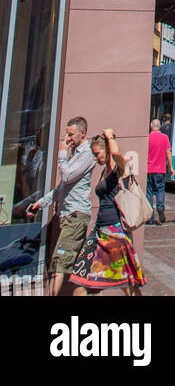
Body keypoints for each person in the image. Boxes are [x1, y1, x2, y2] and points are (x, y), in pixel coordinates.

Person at [67, 128, 145, 296]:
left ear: (107, 149)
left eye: (97, 154)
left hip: (115, 233)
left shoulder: (119, 168)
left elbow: (116, 153)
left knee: (128, 284)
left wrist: (109, 136)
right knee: (82, 279)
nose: (95, 158)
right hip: (99, 231)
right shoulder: (104, 171)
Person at [27, 116, 95, 296]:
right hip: (67, 216)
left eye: (71, 134)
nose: (67, 138)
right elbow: (62, 187)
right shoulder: (74, 154)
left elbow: (67, 176)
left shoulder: (87, 154)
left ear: (83, 133)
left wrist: (62, 155)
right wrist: (41, 203)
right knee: (75, 267)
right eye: (67, 134)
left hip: (75, 217)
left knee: (58, 263)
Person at [146, 118, 172, 225]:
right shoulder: (165, 138)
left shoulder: (147, 138)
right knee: (160, 190)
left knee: (149, 192)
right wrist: (171, 167)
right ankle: (160, 206)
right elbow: (168, 153)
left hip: (148, 169)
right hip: (160, 169)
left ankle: (149, 216)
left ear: (151, 126)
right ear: (160, 126)